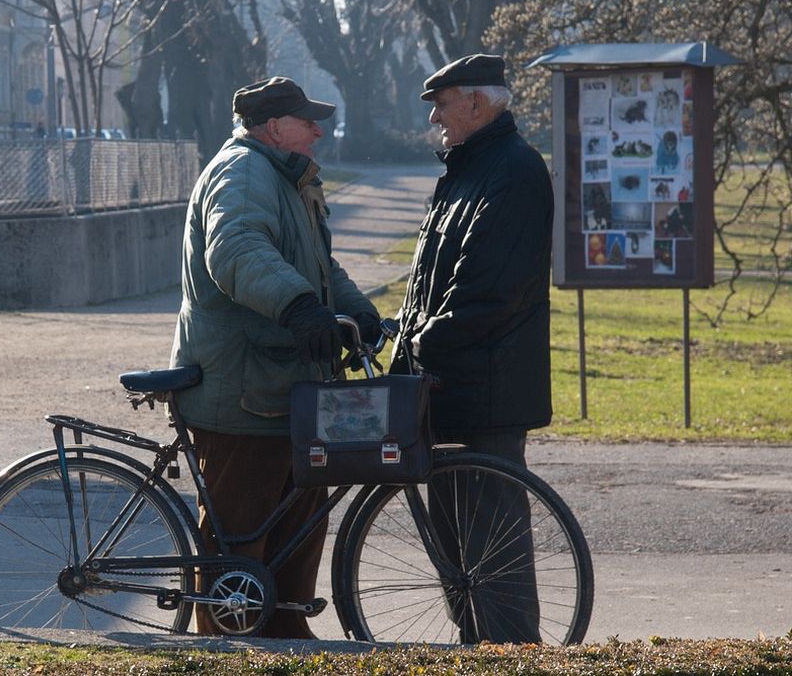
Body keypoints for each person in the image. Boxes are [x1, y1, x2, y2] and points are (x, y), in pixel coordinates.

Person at [170, 76, 380, 638]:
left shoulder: (285, 177)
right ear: (272, 127)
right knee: (240, 535)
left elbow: (321, 267)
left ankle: (287, 630)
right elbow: (236, 250)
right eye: (307, 121)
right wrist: (298, 308)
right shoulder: (242, 173)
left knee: (300, 517)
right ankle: (227, 646)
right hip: (242, 391)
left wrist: (361, 315)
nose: (318, 130)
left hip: (284, 386)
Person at [390, 54, 554, 643]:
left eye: (442, 103)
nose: (435, 116)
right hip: (449, 388)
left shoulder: (512, 171)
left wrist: (419, 339)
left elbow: (488, 291)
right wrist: (405, 335)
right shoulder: (466, 170)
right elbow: (431, 280)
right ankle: (476, 650)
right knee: (458, 554)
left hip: (488, 392)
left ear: (478, 104)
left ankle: (509, 654)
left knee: (492, 552)